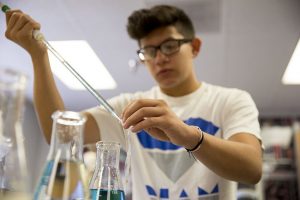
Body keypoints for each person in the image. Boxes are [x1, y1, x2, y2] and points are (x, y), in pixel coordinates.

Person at [5, 4, 263, 199]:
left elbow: (252, 169)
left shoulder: (231, 100)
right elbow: (59, 132)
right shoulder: (129, 108)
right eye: (148, 51)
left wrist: (187, 135)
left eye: (169, 46)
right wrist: (38, 56)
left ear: (194, 46)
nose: (159, 58)